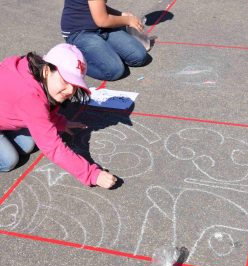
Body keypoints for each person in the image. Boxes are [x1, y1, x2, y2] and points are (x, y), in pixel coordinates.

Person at [0, 43, 117, 189]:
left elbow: (44, 107)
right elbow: (53, 147)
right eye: (65, 81)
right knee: (10, 160)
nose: (70, 90)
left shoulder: (38, 74)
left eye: (75, 84)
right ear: (47, 71)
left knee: (28, 144)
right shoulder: (29, 95)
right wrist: (91, 174)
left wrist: (60, 122)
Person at [61, 0, 149, 81]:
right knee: (114, 70)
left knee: (139, 56)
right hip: (79, 32)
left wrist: (120, 14)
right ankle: (73, 60)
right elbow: (102, 20)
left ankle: (104, 53)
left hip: (101, 28)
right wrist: (128, 20)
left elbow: (98, 7)